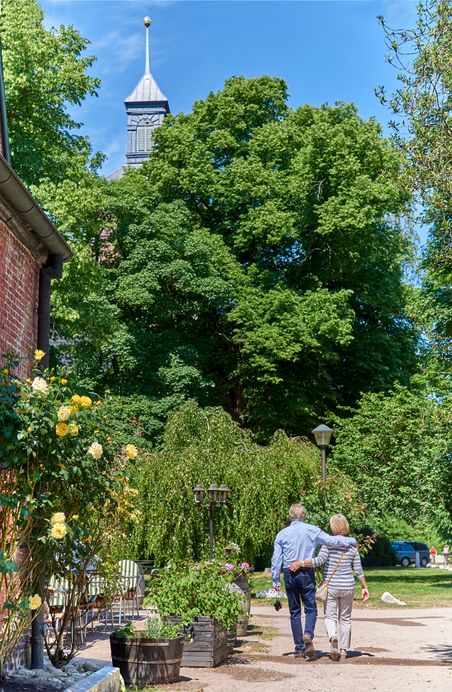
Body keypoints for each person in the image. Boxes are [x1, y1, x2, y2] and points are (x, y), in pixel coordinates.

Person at [271, 504, 356, 660]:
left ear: (290, 516)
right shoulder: (312, 530)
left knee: (294, 611)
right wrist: (351, 540)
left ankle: (299, 649)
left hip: (289, 573)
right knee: (311, 609)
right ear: (304, 515)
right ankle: (308, 634)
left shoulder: (282, 534)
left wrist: (275, 579)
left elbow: (276, 560)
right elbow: (332, 541)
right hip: (306, 572)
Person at [290, 513, 369, 661]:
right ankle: (343, 650)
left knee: (330, 616)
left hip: (331, 586)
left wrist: (301, 563)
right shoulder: (352, 546)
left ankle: (333, 636)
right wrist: (364, 586)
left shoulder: (328, 544)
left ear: (333, 527)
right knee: (345, 618)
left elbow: (319, 560)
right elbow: (358, 569)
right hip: (348, 586)